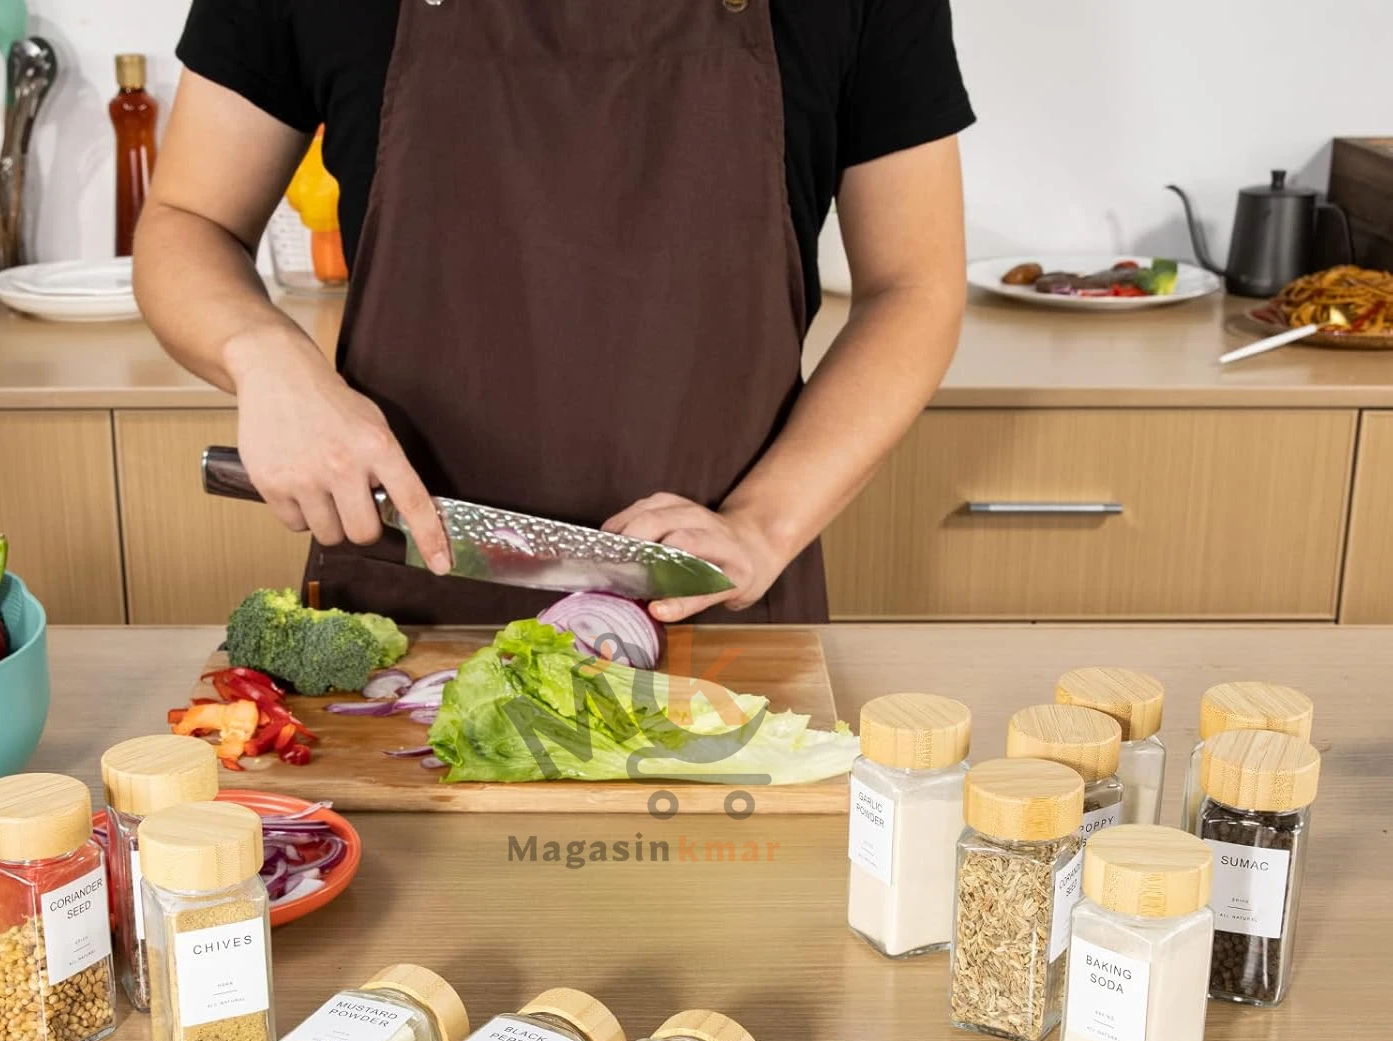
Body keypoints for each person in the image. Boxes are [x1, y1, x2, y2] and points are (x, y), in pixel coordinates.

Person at [136, 0, 973, 626]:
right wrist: (265, 357)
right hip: (409, 619)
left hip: (705, 605)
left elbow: (915, 284)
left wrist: (765, 523)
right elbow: (186, 224)